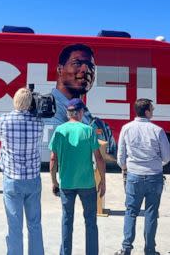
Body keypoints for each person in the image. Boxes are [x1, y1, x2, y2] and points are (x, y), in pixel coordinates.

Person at [114, 98, 170, 255]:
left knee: (131, 212)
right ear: (146, 112)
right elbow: (167, 157)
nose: (153, 111)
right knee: (151, 213)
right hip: (154, 176)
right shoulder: (157, 130)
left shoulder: (126, 128)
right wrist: (156, 163)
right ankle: (150, 249)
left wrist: (126, 168)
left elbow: (120, 156)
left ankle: (126, 248)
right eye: (152, 109)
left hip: (134, 176)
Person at [49, 98, 106, 255]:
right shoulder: (88, 130)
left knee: (67, 220)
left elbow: (53, 159)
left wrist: (54, 181)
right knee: (91, 222)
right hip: (87, 184)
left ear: (68, 113)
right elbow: (99, 158)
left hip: (66, 184)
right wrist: (102, 181)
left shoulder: (59, 130)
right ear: (80, 112)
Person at [44, 43, 116, 160]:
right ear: (60, 70)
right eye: (77, 63)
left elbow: (116, 157)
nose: (85, 70)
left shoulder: (99, 125)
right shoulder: (46, 111)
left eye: (90, 66)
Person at [0, 88, 45, 255]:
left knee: (14, 225)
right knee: (35, 224)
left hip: (12, 179)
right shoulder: (38, 122)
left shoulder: (4, 120)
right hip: (32, 178)